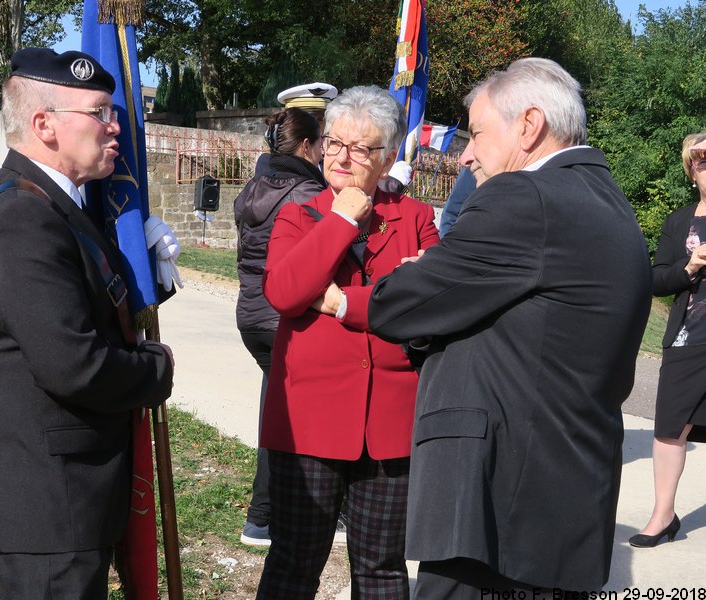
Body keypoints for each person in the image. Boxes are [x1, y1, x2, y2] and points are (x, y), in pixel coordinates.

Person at [355, 58, 652, 595]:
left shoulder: (524, 197)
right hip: (560, 505)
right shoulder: (609, 202)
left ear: (529, 125)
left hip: (495, 510)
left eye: (476, 134)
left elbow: (399, 307)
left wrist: (412, 279)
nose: (465, 154)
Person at [0, 47, 174, 599]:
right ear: (44, 124)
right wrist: (157, 369)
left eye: (112, 113)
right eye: (99, 113)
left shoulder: (58, 203)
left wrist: (150, 281)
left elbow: (86, 307)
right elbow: (75, 364)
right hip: (49, 499)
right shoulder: (22, 218)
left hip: (69, 490)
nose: (115, 126)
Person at [256, 85, 440, 599]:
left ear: (386, 159)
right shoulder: (299, 214)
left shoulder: (418, 219)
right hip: (309, 422)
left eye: (361, 148)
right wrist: (340, 220)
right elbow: (287, 293)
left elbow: (430, 310)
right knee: (294, 561)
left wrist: (342, 304)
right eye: (335, 143)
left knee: (382, 567)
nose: (342, 157)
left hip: (389, 426)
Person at [234, 107, 327, 547]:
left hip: (251, 315)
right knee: (296, 418)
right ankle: (266, 517)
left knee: (278, 410)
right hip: (282, 317)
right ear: (307, 146)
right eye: (325, 144)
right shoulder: (306, 191)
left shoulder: (256, 185)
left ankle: (266, 516)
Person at [630, 132, 706, 548]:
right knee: (668, 430)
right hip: (687, 339)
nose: (705, 167)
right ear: (690, 172)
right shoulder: (680, 220)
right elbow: (656, 279)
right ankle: (663, 516)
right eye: (699, 162)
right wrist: (689, 265)